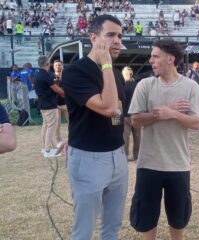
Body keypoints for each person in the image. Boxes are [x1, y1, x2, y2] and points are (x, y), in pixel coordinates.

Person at [129, 38, 199, 240]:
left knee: (178, 218)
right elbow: (135, 120)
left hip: (178, 165)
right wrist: (160, 113)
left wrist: (173, 114)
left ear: (170, 59)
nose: (150, 60)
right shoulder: (145, 85)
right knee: (146, 218)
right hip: (148, 164)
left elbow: (197, 123)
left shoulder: (191, 87)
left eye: (155, 56)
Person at [61, 14, 129, 239]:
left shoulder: (117, 75)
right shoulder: (75, 71)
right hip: (89, 158)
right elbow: (108, 107)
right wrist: (106, 64)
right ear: (93, 38)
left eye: (120, 35)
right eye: (110, 35)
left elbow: (117, 114)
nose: (117, 40)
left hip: (117, 156)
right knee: (84, 229)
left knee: (112, 226)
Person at [34, 55, 64, 157]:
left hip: (42, 104)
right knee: (51, 126)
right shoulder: (46, 75)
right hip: (49, 105)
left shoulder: (38, 74)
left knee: (46, 126)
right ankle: (48, 150)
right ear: (47, 63)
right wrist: (64, 92)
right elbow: (56, 89)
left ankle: (44, 148)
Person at [122, 66, 141, 161]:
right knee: (138, 137)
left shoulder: (123, 86)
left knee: (125, 137)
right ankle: (137, 156)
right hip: (137, 114)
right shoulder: (138, 85)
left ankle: (125, 156)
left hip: (125, 114)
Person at [53, 60, 68, 146]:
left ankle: (72, 138)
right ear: (53, 67)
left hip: (66, 104)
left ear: (62, 66)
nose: (58, 67)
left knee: (71, 122)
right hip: (56, 105)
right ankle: (58, 141)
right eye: (56, 65)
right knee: (57, 124)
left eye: (59, 65)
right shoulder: (51, 77)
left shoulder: (67, 76)